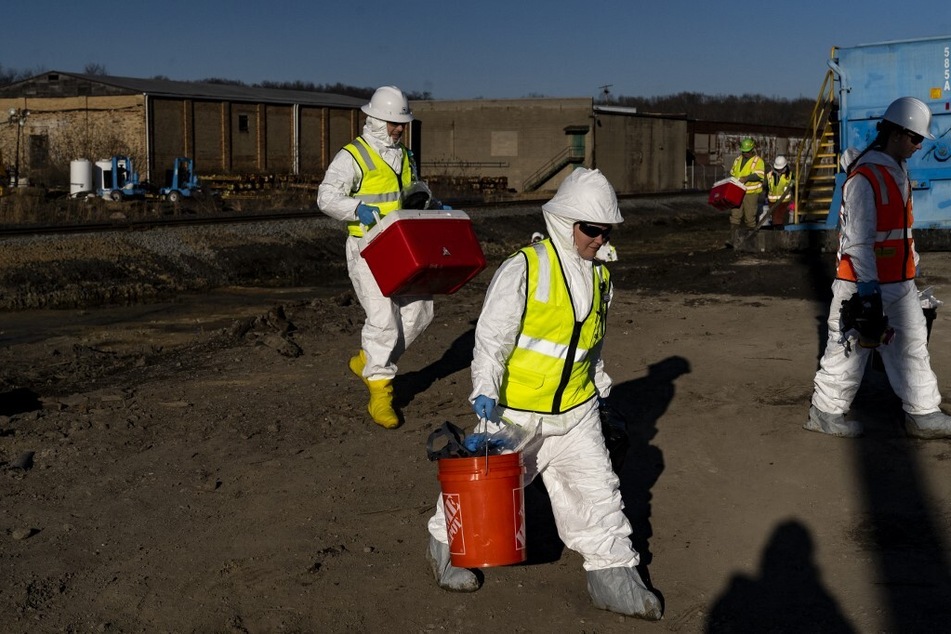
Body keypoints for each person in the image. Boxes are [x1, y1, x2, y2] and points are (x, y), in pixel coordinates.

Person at [424, 168, 663, 620]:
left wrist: (598, 385)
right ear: (565, 222)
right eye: (591, 229)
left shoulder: (601, 278)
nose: (599, 238)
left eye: (605, 230)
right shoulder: (525, 268)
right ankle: (447, 549)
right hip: (516, 414)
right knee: (478, 492)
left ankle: (615, 577)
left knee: (598, 495)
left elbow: (589, 343)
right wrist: (484, 389)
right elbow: (492, 338)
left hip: (576, 413)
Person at [807, 96, 951, 439]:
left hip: (898, 283)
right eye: (916, 138)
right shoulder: (865, 178)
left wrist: (910, 268)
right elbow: (857, 239)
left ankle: (923, 412)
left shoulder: (895, 170)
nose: (919, 146)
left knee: (913, 344)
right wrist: (868, 292)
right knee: (849, 349)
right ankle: (825, 413)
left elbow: (900, 230)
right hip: (861, 282)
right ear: (897, 134)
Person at [317, 85, 432, 429]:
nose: (400, 129)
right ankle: (381, 390)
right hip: (367, 248)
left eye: (402, 124)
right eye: (394, 123)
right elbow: (326, 197)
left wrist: (426, 202)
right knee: (383, 320)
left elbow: (410, 191)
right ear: (375, 120)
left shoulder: (406, 155)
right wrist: (355, 209)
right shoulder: (353, 156)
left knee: (420, 312)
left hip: (402, 246)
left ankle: (369, 360)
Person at [728, 137, 766, 244]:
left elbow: (759, 175)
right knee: (735, 216)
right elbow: (733, 173)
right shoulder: (737, 160)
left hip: (750, 193)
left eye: (747, 152)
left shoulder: (758, 161)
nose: (745, 154)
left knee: (750, 218)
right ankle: (733, 240)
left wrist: (747, 178)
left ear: (752, 150)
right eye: (744, 152)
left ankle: (751, 240)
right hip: (737, 191)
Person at [765, 155, 793, 228]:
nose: (779, 170)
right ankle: (777, 231)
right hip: (772, 202)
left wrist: (794, 201)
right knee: (775, 219)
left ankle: (780, 232)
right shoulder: (770, 175)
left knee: (780, 219)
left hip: (784, 202)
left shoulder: (790, 176)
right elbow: (767, 187)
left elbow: (794, 188)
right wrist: (766, 198)